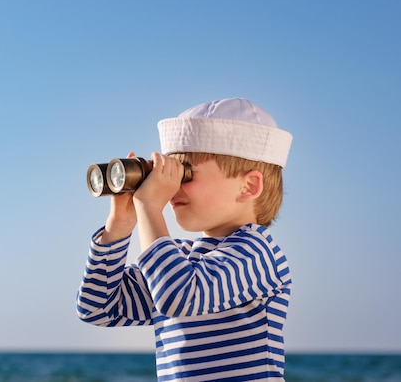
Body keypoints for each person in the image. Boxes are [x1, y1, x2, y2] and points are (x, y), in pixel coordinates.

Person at [76, 98, 293, 381]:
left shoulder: (258, 253)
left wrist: (150, 208)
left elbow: (178, 296)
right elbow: (98, 308)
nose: (173, 187)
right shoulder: (177, 261)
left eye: (186, 174)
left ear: (248, 186)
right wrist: (120, 226)